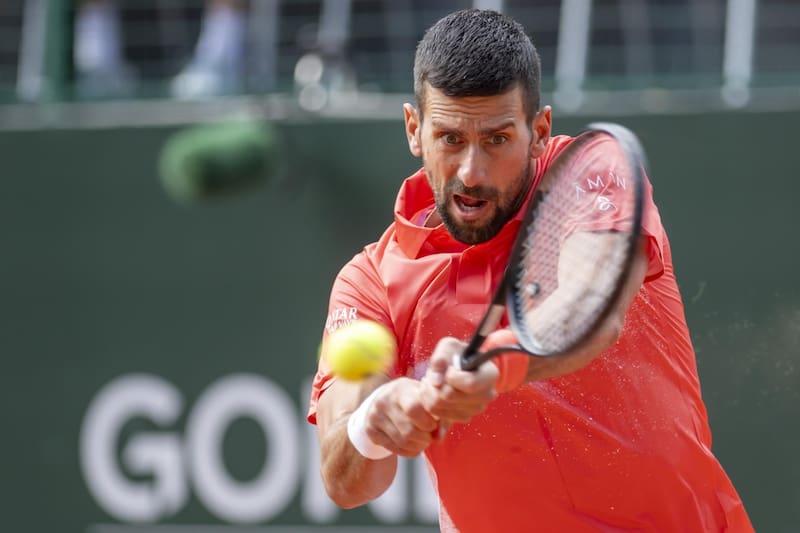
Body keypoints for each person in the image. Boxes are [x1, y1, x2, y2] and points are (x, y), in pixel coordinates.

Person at [307, 8, 753, 533]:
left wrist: (493, 367)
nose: (472, 172)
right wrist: (372, 425)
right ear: (414, 129)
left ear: (538, 130)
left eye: (497, 139)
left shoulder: (589, 169)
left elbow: (591, 307)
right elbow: (345, 481)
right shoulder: (370, 282)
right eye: (450, 138)